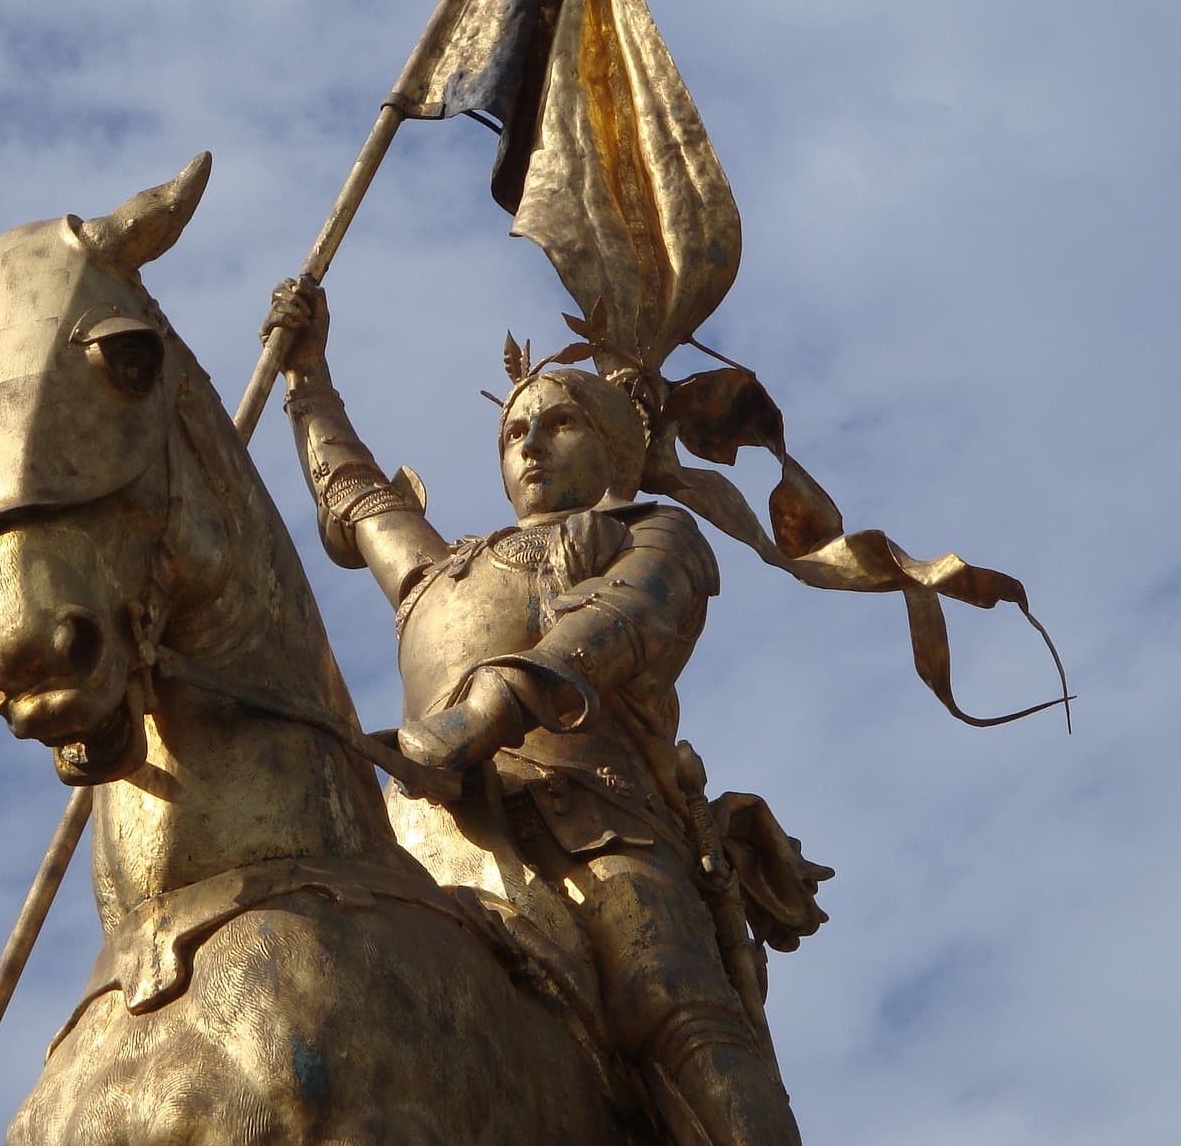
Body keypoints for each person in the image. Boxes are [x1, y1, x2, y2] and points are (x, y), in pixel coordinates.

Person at [265, 280, 802, 1146]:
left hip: (598, 827)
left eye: (560, 424)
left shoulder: (651, 532)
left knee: (672, 1002)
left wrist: (485, 712)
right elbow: (353, 493)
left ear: (616, 447)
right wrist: (307, 377)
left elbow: (621, 621)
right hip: (428, 829)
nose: (531, 445)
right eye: (515, 432)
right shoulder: (440, 572)